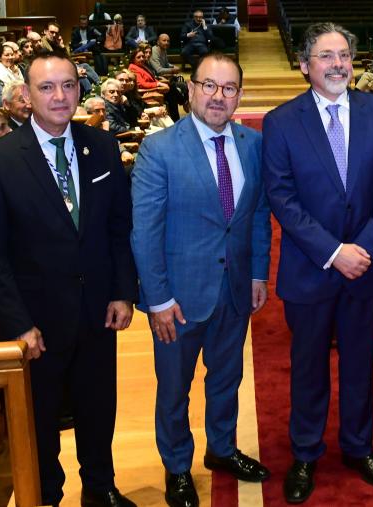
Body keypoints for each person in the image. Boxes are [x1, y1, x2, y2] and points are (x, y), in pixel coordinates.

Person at [0, 48, 137, 507]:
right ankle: (46, 496)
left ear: (80, 89)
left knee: (98, 407)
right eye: (47, 87)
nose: (60, 96)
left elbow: (119, 228)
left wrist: (123, 292)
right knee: (40, 418)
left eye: (68, 85)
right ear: (26, 95)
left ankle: (100, 488)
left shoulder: (101, 146)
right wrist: (19, 324)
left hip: (98, 311)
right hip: (36, 322)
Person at [262, 22, 373, 504]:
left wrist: (362, 248)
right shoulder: (282, 121)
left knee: (361, 364)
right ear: (305, 65)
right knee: (308, 368)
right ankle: (305, 454)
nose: (337, 64)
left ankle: (358, 448)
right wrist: (333, 252)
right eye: (325, 56)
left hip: (364, 267)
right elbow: (282, 197)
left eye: (343, 54)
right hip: (311, 269)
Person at [132, 51, 271, 507]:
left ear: (239, 96)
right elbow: (145, 232)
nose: (218, 96)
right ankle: (177, 467)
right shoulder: (159, 148)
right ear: (190, 89)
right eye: (209, 85)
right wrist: (157, 300)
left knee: (226, 378)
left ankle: (222, 449)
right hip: (178, 298)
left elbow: (257, 214)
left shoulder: (253, 145)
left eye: (228, 88)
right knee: (175, 389)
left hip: (234, 290)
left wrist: (258, 273)